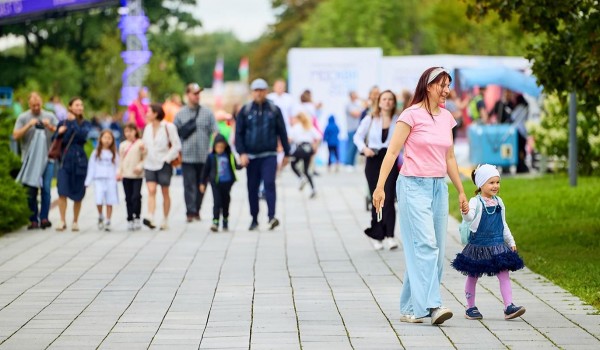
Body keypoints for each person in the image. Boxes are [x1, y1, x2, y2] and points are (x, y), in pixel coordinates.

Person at [372, 67, 469, 325]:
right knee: (426, 245)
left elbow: (449, 157)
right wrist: (380, 187)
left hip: (439, 188)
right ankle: (433, 305)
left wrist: (461, 190)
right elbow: (392, 153)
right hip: (413, 185)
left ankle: (409, 308)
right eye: (442, 85)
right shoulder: (410, 115)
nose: (447, 90)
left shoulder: (447, 117)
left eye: (449, 85)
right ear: (428, 86)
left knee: (435, 252)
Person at [451, 164, 526, 320]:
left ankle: (509, 306)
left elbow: (503, 223)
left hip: (497, 244)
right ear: (481, 184)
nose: (495, 186)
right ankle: (470, 307)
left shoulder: (499, 202)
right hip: (478, 245)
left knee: (504, 273)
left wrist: (510, 241)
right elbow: (470, 217)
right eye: (491, 182)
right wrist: (465, 212)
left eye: (497, 182)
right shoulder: (475, 201)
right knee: (473, 274)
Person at [235, 78, 290, 231]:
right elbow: (238, 134)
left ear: (266, 92)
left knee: (269, 183)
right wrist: (242, 153)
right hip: (251, 155)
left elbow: (282, 131)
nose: (259, 93)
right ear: (252, 92)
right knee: (252, 187)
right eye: (256, 90)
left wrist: (287, 152)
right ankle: (254, 218)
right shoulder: (245, 111)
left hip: (269, 153)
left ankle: (271, 216)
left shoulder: (273, 109)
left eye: (261, 90)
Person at [354, 90, 400, 251]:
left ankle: (390, 236)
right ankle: (377, 235)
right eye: (384, 99)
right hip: (373, 159)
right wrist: (364, 149)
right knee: (376, 197)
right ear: (379, 102)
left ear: (394, 103)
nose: (387, 102)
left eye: (390, 99)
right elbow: (357, 137)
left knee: (388, 198)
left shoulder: (398, 120)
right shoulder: (371, 118)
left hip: (390, 160)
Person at [13, 92, 58, 229]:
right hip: (29, 160)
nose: (36, 108)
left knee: (46, 188)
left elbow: (60, 132)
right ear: (29, 105)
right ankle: (33, 219)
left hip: (47, 158)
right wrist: (29, 125)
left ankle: (44, 218)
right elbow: (15, 135)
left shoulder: (49, 115)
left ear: (42, 103)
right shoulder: (23, 117)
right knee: (31, 189)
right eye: (33, 106)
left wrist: (49, 126)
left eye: (38, 105)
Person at [174, 83, 218, 222]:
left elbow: (215, 131)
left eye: (198, 93)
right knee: (189, 184)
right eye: (194, 93)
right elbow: (174, 134)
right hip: (187, 156)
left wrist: (214, 147)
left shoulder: (207, 112)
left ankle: (197, 209)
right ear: (188, 95)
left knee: (202, 184)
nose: (197, 96)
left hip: (203, 156)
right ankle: (190, 211)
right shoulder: (181, 114)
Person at [54, 97, 92, 232]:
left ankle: (75, 221)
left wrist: (73, 123)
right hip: (65, 161)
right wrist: (59, 133)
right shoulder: (62, 122)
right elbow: (56, 140)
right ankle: (62, 220)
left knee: (78, 191)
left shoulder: (85, 123)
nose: (80, 107)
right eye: (77, 105)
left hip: (80, 160)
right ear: (70, 107)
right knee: (62, 191)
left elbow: (82, 136)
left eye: (81, 105)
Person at [142, 104, 181, 230]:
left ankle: (165, 219)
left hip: (164, 163)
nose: (147, 114)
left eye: (149, 112)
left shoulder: (168, 127)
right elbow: (145, 144)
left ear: (155, 113)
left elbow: (176, 145)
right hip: (149, 163)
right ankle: (150, 216)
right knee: (151, 190)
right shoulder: (147, 128)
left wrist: (167, 158)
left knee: (165, 191)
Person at [199, 134, 241, 232]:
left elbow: (235, 166)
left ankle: (225, 220)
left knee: (226, 202)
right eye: (218, 147)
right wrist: (202, 182)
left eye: (222, 147)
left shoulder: (229, 156)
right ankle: (216, 221)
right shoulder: (211, 157)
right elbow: (205, 171)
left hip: (227, 183)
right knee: (217, 202)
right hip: (216, 183)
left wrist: (242, 164)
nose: (220, 149)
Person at [85, 130, 119, 232]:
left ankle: (108, 220)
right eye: (105, 138)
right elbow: (91, 167)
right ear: (100, 139)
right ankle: (100, 215)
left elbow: (118, 166)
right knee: (99, 199)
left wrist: (118, 175)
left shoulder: (114, 154)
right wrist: (87, 181)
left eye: (109, 138)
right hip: (99, 179)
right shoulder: (96, 153)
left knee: (110, 200)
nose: (107, 140)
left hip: (110, 179)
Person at [117, 123, 145, 231]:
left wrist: (140, 166)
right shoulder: (123, 145)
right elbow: (121, 160)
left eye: (131, 131)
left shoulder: (140, 143)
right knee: (128, 197)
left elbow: (144, 157)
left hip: (137, 175)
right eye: (126, 131)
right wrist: (119, 171)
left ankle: (137, 216)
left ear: (135, 131)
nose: (128, 134)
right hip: (126, 174)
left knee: (136, 196)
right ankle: (129, 218)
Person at [289, 112, 322, 198]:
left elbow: (290, 138)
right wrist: (315, 147)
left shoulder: (296, 127)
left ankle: (300, 177)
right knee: (306, 170)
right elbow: (319, 137)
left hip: (300, 148)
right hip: (308, 149)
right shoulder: (309, 126)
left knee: (293, 164)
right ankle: (313, 189)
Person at [344, 91, 363, 170]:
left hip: (358, 128)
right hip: (351, 128)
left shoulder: (357, 104)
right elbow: (356, 114)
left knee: (356, 147)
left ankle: (353, 163)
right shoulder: (348, 105)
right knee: (351, 146)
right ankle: (348, 163)